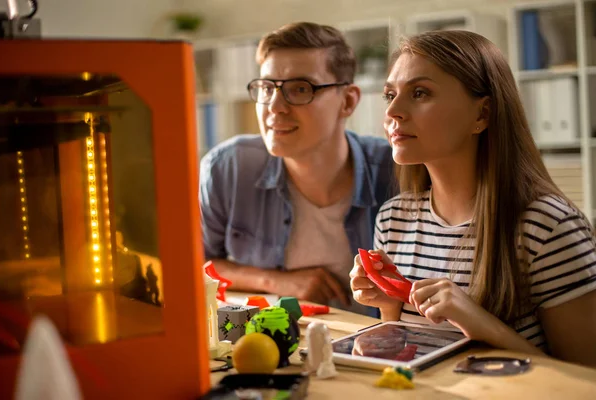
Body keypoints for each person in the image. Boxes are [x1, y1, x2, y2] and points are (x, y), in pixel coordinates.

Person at [349, 30, 596, 366]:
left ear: (482, 114)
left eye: (419, 93)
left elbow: (584, 380)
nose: (393, 111)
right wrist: (388, 300)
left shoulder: (548, 228)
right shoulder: (393, 218)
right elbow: (410, 349)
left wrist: (477, 321)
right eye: (390, 94)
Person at [199, 22, 396, 314]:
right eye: (267, 87)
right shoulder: (228, 168)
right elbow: (195, 266)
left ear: (348, 100)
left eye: (300, 88)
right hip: (276, 348)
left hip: (376, 349)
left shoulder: (396, 172)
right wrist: (278, 282)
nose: (275, 106)